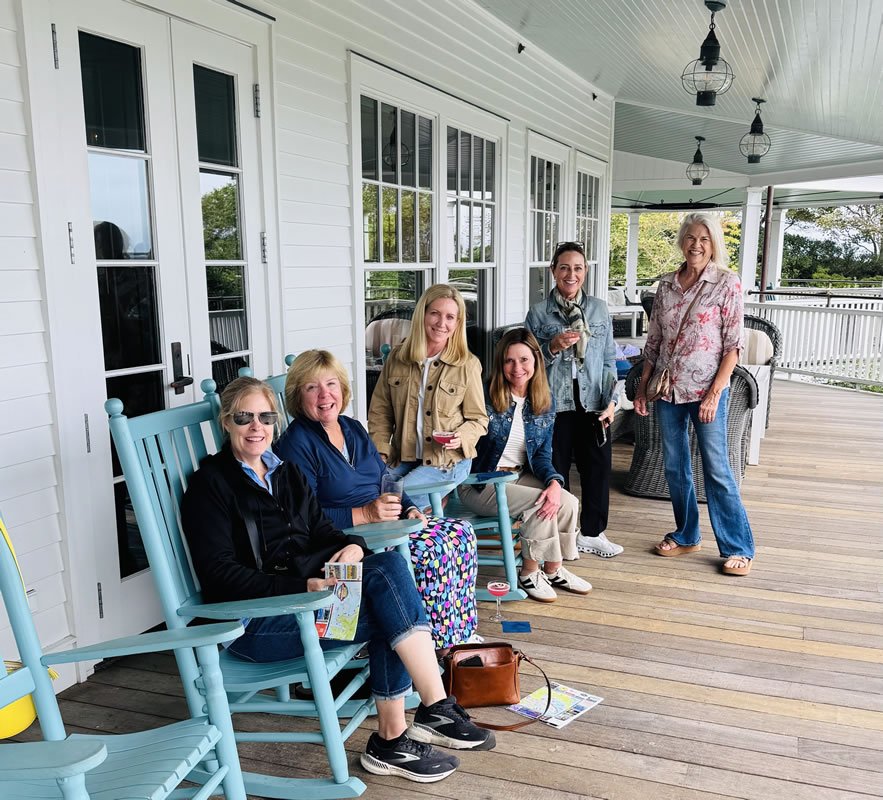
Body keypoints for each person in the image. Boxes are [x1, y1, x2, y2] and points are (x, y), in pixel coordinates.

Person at [181, 377, 495, 784]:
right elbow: (219, 575)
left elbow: (324, 532)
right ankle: (400, 733)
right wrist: (300, 589)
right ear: (227, 421)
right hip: (256, 624)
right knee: (393, 608)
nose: (256, 426)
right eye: (244, 417)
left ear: (275, 422)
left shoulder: (285, 473)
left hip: (306, 606)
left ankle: (417, 720)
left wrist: (352, 547)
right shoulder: (211, 485)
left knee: (388, 572)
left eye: (264, 416)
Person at [275, 350, 480, 649]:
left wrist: (408, 506)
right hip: (343, 537)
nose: (324, 395)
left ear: (342, 389)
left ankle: (456, 636)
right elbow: (304, 518)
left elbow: (385, 477)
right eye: (311, 388)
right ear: (297, 396)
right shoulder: (297, 443)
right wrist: (366, 514)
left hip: (383, 525)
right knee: (428, 552)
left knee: (460, 533)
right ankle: (430, 645)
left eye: (331, 385)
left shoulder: (352, 428)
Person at [633, 212, 756, 577]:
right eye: (690, 237)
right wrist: (641, 389)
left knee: (717, 469)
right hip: (668, 391)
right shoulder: (666, 286)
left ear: (713, 243)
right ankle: (687, 534)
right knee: (674, 467)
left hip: (707, 391)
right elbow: (653, 344)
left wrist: (715, 394)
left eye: (704, 238)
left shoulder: (727, 283)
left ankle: (738, 547)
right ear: (681, 241)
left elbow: (734, 347)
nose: (696, 244)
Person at [459, 329, 592, 602]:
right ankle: (530, 572)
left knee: (566, 501)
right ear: (500, 364)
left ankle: (554, 568)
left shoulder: (543, 400)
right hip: (480, 483)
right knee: (539, 503)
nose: (516, 368)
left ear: (535, 361)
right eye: (509, 361)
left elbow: (543, 454)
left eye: (523, 359)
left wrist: (555, 482)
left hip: (517, 477)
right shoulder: (484, 397)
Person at [525, 242, 625, 558]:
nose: (571, 274)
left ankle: (593, 533)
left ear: (585, 272)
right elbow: (526, 362)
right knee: (556, 468)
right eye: (565, 267)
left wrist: (612, 401)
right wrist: (552, 346)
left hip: (594, 400)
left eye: (578, 268)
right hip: (553, 403)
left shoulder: (597, 309)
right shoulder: (539, 313)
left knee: (597, 466)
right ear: (554, 270)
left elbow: (609, 357)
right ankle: (560, 534)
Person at [368, 284, 488, 511]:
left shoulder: (467, 365)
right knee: (367, 493)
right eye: (435, 313)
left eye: (450, 317)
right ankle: (427, 511)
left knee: (393, 501)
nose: (442, 323)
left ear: (457, 323)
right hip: (403, 456)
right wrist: (381, 451)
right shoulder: (397, 357)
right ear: (422, 314)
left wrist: (460, 436)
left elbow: (479, 420)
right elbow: (380, 411)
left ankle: (424, 516)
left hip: (447, 461)